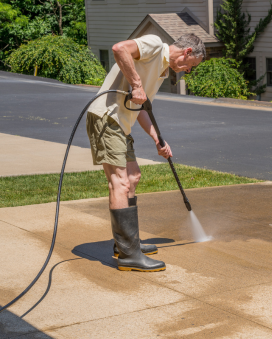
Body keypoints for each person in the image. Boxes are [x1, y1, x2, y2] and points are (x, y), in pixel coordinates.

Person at [86, 33, 205, 272]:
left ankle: (127, 243)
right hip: (107, 118)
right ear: (187, 52)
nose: (186, 71)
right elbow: (119, 48)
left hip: (121, 123)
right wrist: (137, 85)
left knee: (132, 178)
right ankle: (129, 254)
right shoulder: (154, 45)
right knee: (119, 182)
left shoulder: (160, 70)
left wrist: (157, 139)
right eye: (190, 66)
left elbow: (140, 106)